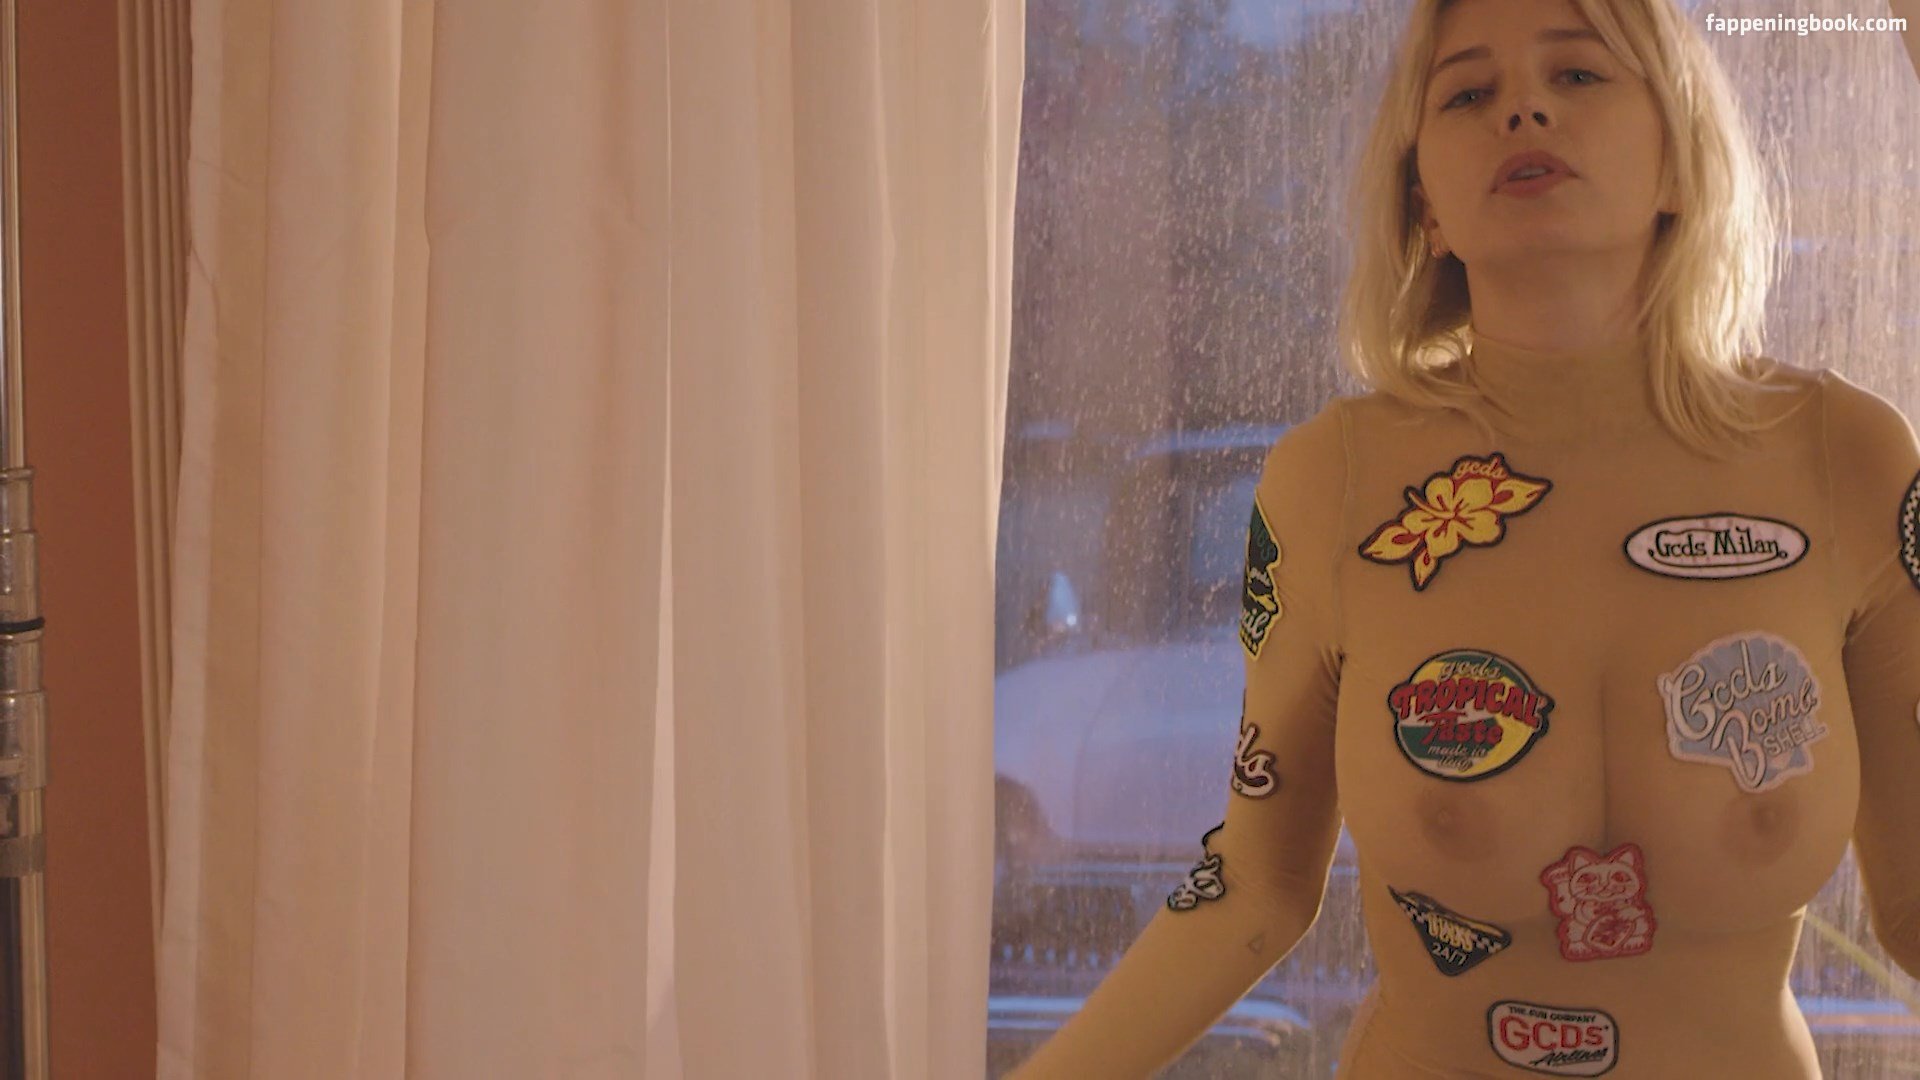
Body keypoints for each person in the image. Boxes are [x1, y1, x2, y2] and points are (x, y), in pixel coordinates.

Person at [1006, 0, 1920, 1076]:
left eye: (1577, 74)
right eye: (1469, 92)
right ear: (1424, 205)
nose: (1523, 109)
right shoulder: (1331, 482)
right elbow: (1253, 888)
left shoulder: (1850, 457)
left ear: (1679, 161)